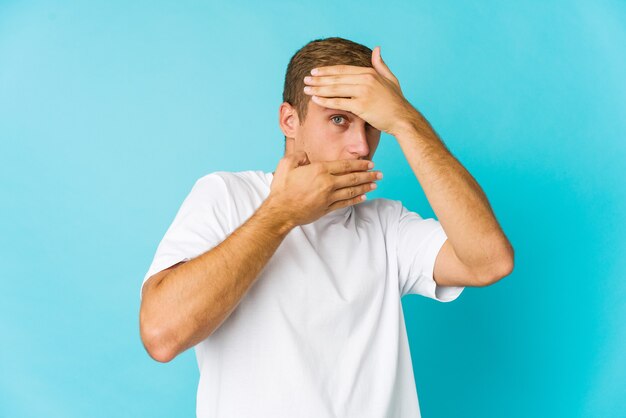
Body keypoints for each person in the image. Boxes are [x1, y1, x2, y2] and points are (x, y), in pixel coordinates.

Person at [138, 37, 514, 418]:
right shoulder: (227, 196)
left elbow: (489, 261)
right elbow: (161, 335)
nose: (361, 147)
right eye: (339, 120)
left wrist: (405, 121)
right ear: (290, 120)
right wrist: (280, 215)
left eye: (372, 125)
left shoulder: (387, 226)